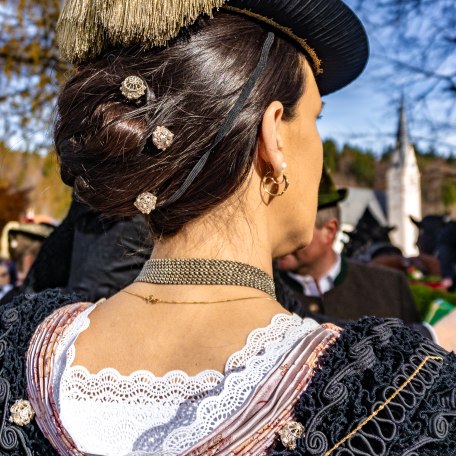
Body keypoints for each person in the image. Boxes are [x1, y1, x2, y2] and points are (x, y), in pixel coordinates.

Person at [2, 1, 455, 455]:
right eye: (317, 119)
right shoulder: (401, 396)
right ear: (273, 135)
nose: (319, 151)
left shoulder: (17, 342)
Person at [275, 167, 456, 348]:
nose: (276, 238)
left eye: (289, 228)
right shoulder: (268, 292)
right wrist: (435, 335)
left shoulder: (390, 285)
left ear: (329, 231)